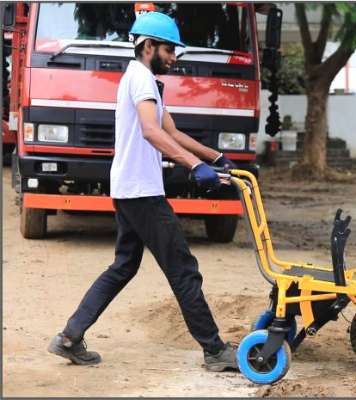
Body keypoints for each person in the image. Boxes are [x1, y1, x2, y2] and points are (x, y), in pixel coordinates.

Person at [47, 11, 238, 372]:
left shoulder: (143, 80)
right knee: (183, 269)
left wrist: (216, 157)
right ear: (147, 46)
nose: (173, 57)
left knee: (123, 266)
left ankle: (70, 337)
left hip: (129, 188)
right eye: (168, 49)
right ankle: (214, 350)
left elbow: (172, 132)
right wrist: (194, 167)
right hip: (141, 192)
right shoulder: (142, 81)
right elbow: (151, 132)